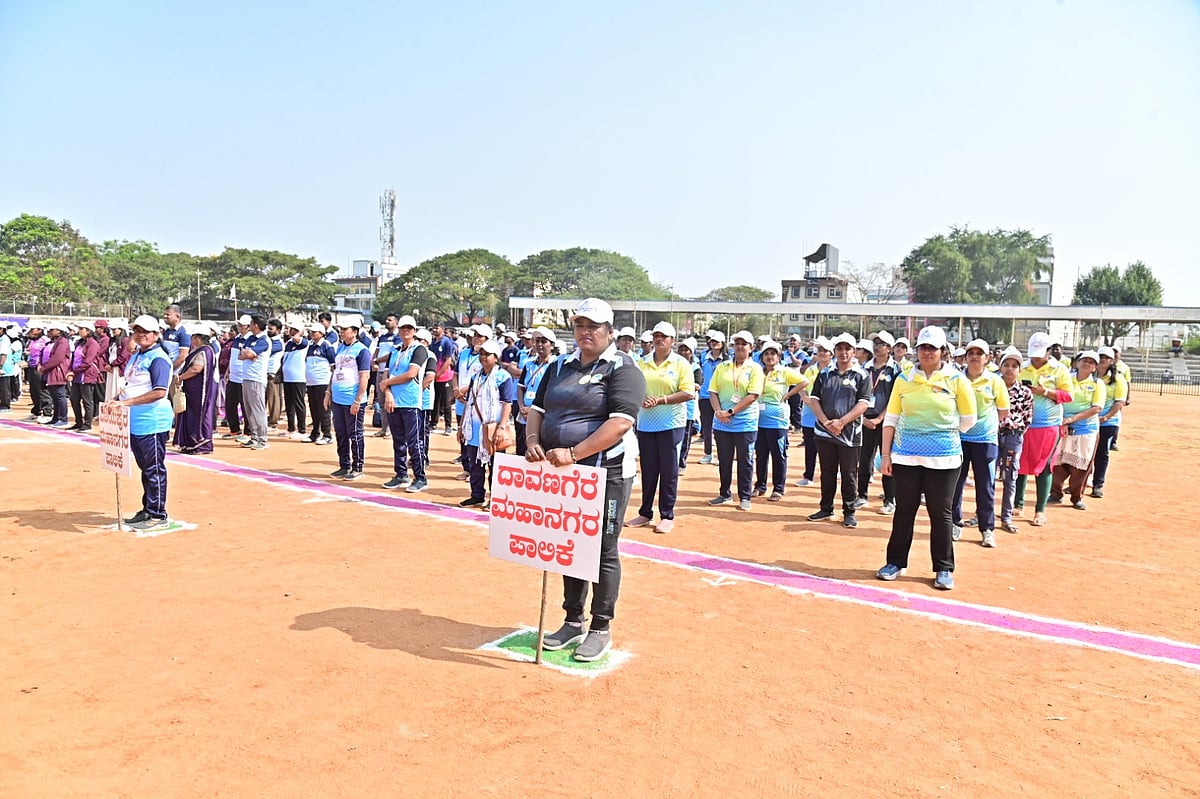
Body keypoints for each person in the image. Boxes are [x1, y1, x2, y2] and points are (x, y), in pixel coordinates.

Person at [526, 298, 645, 662]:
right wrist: (533, 441)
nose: (585, 332)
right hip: (563, 473)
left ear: (609, 331)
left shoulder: (623, 369)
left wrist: (575, 452)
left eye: (593, 326)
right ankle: (572, 620)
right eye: (580, 325)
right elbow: (538, 409)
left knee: (603, 548)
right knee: (569, 543)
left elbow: (621, 422)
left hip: (604, 472)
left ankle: (600, 627)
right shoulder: (560, 365)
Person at [877, 326, 977, 591]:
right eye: (923, 347)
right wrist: (886, 455)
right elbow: (891, 420)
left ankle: (944, 568)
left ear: (943, 351)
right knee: (904, 510)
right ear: (917, 350)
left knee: (941, 513)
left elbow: (968, 420)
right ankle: (895, 562)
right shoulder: (904, 379)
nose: (927, 352)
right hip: (906, 457)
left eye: (933, 348)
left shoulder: (957, 381)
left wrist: (938, 432)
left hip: (944, 460)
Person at [626, 321, 696, 534]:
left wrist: (661, 400)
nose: (659, 339)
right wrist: (641, 400)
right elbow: (634, 388)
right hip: (646, 424)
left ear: (672, 341)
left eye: (664, 336)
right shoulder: (642, 362)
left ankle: (667, 515)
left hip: (671, 424)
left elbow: (688, 392)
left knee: (668, 471)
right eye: (656, 335)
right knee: (648, 469)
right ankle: (645, 512)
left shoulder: (680, 364)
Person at [114, 315, 176, 532]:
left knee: (154, 468)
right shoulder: (137, 355)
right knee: (145, 467)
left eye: (146, 331)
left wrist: (128, 402)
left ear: (156, 334)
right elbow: (130, 384)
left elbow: (160, 392)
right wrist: (116, 402)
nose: (141, 334)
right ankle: (148, 508)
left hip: (152, 421)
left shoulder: (158, 358)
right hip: (136, 420)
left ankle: (159, 514)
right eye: (137, 330)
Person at [806, 333, 872, 528]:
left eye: (847, 349)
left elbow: (863, 404)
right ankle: (826, 508)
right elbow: (814, 400)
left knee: (849, 474)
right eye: (840, 349)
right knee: (827, 471)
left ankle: (849, 511)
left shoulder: (862, 375)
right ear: (834, 351)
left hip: (850, 433)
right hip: (825, 432)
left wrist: (841, 422)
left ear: (854, 352)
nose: (843, 353)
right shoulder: (825, 373)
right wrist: (827, 422)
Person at [951, 339, 1010, 548]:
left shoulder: (995, 381)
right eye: (971, 353)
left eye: (979, 353)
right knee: (955, 484)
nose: (975, 356)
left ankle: (987, 529)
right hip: (959, 438)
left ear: (987, 358)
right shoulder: (956, 378)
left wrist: (986, 426)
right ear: (966, 357)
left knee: (985, 486)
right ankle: (955, 523)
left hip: (985, 440)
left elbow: (1004, 411)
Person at [1015, 332, 1073, 527]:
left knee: (1044, 467)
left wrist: (1045, 392)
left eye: (1040, 354)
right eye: (1033, 354)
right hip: (1023, 424)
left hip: (1048, 425)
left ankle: (1040, 510)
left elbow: (1068, 396)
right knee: (1020, 465)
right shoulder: (1022, 367)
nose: (1036, 358)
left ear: (1049, 352)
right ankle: (1017, 504)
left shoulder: (1059, 370)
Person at [708, 330, 765, 511]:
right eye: (737, 343)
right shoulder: (723, 367)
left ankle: (745, 496)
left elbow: (753, 395)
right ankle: (725, 493)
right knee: (724, 459)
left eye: (744, 344)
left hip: (745, 422)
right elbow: (712, 391)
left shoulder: (755, 368)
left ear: (751, 347)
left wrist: (731, 412)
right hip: (722, 422)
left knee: (745, 460)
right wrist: (719, 412)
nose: (740, 347)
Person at [458, 339, 517, 507]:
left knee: (495, 465)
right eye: (481, 354)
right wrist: (462, 426)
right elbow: (469, 402)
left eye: (487, 354)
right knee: (475, 465)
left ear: (496, 357)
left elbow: (507, 404)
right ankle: (477, 494)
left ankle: (496, 498)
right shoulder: (476, 377)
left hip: (492, 428)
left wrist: (501, 427)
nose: (483, 357)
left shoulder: (502, 377)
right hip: (474, 428)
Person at [1050, 350, 1106, 509]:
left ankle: (1076, 497)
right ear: (1077, 362)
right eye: (1084, 360)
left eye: (1091, 362)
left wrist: (1072, 419)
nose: (1087, 363)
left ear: (1095, 367)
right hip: (1063, 424)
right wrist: (1064, 421)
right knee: (1058, 462)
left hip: (1086, 428)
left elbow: (1096, 408)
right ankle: (1055, 493)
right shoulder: (1067, 378)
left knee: (1082, 464)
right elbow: (1058, 398)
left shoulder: (1097, 384)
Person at [380, 315, 430, 493]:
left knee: (414, 441)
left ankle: (420, 477)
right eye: (403, 328)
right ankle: (401, 474)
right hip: (394, 401)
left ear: (414, 331)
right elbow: (385, 375)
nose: (405, 330)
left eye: (409, 328)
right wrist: (387, 393)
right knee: (398, 440)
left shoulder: (419, 349)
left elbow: (411, 374)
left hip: (410, 401)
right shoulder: (394, 350)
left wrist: (387, 384)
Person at [754, 340, 806, 501]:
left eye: (773, 354)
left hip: (777, 419)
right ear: (762, 356)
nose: (769, 357)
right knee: (760, 454)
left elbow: (804, 381)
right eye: (766, 354)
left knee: (778, 454)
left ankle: (778, 488)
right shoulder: (757, 371)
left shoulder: (784, 372)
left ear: (778, 357)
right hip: (757, 419)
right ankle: (760, 485)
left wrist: (789, 394)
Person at [857, 331, 899, 514]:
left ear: (889, 348)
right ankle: (861, 495)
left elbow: (895, 398)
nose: (876, 346)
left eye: (881, 343)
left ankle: (890, 499)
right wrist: (864, 418)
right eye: (875, 342)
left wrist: (880, 418)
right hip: (865, 421)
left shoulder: (895, 370)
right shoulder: (864, 368)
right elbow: (858, 395)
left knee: (886, 458)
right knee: (864, 458)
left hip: (887, 422)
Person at [327, 322, 372, 480]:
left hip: (352, 398)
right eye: (340, 330)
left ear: (354, 331)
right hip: (337, 398)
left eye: (345, 329)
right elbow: (334, 372)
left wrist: (358, 400)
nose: (341, 332)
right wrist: (328, 392)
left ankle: (357, 467)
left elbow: (364, 376)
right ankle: (344, 465)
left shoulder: (362, 350)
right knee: (340, 433)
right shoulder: (340, 348)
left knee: (355, 434)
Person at [995, 346, 1032, 534]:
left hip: (1012, 437)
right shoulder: (993, 386)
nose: (1010, 369)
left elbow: (1027, 417)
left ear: (1019, 370)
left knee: (1010, 478)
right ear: (1000, 367)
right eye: (1006, 365)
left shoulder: (1025, 392)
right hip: (992, 437)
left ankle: (1006, 516)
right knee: (988, 478)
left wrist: (1016, 432)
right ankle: (982, 514)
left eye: (1014, 366)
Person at [174, 323, 219, 454]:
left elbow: (196, 369)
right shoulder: (202, 350)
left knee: (198, 416)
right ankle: (189, 443)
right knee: (189, 415)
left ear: (198, 338)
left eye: (193, 337)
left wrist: (181, 377)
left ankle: (200, 442)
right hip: (192, 390)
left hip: (198, 391)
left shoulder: (205, 351)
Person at [794, 338, 833, 487]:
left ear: (831, 354)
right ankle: (808, 475)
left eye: (825, 351)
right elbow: (801, 384)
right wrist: (804, 397)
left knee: (828, 449)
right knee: (810, 446)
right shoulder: (811, 369)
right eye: (820, 350)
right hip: (809, 415)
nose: (822, 353)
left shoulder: (834, 369)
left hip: (827, 414)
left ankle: (828, 475)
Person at [513, 327, 557, 456]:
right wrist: (522, 407)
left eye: (544, 341)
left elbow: (553, 393)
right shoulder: (528, 364)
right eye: (537, 341)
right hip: (524, 415)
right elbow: (521, 387)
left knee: (539, 450)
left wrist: (532, 409)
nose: (539, 345)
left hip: (543, 415)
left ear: (552, 345)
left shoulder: (556, 365)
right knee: (522, 447)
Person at [1091, 346, 1128, 499]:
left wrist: (1105, 417)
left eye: (1106, 357)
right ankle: (1079, 482)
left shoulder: (1118, 379)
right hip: (1088, 420)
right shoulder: (1090, 376)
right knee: (1085, 453)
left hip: (1108, 421)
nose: (1103, 360)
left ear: (1112, 361)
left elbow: (1119, 403)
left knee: (1101, 453)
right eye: (1101, 356)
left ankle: (1098, 485)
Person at [238, 314, 272, 450]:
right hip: (246, 377)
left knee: (258, 409)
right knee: (249, 409)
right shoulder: (251, 338)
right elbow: (242, 354)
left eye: (251, 323)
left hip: (256, 378)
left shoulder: (264, 340)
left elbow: (250, 354)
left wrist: (249, 355)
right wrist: (248, 355)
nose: (249, 326)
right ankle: (254, 436)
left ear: (256, 325)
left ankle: (262, 439)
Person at [696, 331, 728, 465]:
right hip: (705, 395)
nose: (714, 343)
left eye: (717, 342)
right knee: (707, 426)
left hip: (722, 396)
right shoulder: (703, 356)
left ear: (722, 344)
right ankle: (708, 454)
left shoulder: (727, 360)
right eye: (712, 341)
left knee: (721, 427)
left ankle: (722, 455)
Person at [68, 320, 103, 431]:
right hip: (77, 375)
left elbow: (88, 361)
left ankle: (87, 423)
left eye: (81, 329)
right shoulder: (79, 343)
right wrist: (70, 370)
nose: (79, 331)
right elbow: (73, 358)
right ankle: (78, 422)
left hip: (86, 375)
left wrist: (74, 371)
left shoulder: (93, 344)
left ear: (88, 331)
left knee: (87, 400)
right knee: (74, 399)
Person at [675, 337, 703, 471]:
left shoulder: (695, 368)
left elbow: (697, 385)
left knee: (685, 436)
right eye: (681, 349)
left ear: (691, 352)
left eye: (686, 350)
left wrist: (681, 386)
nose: (683, 352)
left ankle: (681, 462)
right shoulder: (673, 364)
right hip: (674, 407)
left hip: (688, 407)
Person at [304, 324, 335, 444]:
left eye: (314, 332)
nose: (312, 334)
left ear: (321, 333)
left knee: (323, 409)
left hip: (322, 382)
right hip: (311, 382)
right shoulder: (310, 346)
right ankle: (315, 433)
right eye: (311, 332)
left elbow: (333, 366)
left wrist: (330, 385)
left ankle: (327, 435)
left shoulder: (327, 346)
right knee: (314, 408)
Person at [221, 315, 249, 441]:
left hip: (244, 377)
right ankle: (234, 430)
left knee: (245, 406)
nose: (239, 326)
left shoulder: (250, 340)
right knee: (230, 404)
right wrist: (228, 370)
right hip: (233, 376)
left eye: (241, 325)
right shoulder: (237, 339)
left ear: (248, 327)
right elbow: (233, 357)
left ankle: (248, 432)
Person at [38, 321, 72, 427]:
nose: (49, 332)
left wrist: (44, 367)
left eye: (51, 330)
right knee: (54, 395)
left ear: (58, 331)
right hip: (52, 371)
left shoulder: (63, 342)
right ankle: (56, 417)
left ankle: (63, 418)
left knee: (59, 395)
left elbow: (57, 358)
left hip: (58, 371)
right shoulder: (56, 341)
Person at [281, 322, 309, 440]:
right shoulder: (289, 343)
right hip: (287, 377)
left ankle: (302, 429)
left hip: (298, 377)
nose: (289, 330)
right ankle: (291, 428)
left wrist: (298, 332)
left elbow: (299, 340)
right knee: (289, 404)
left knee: (299, 403)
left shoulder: (304, 342)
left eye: (291, 328)